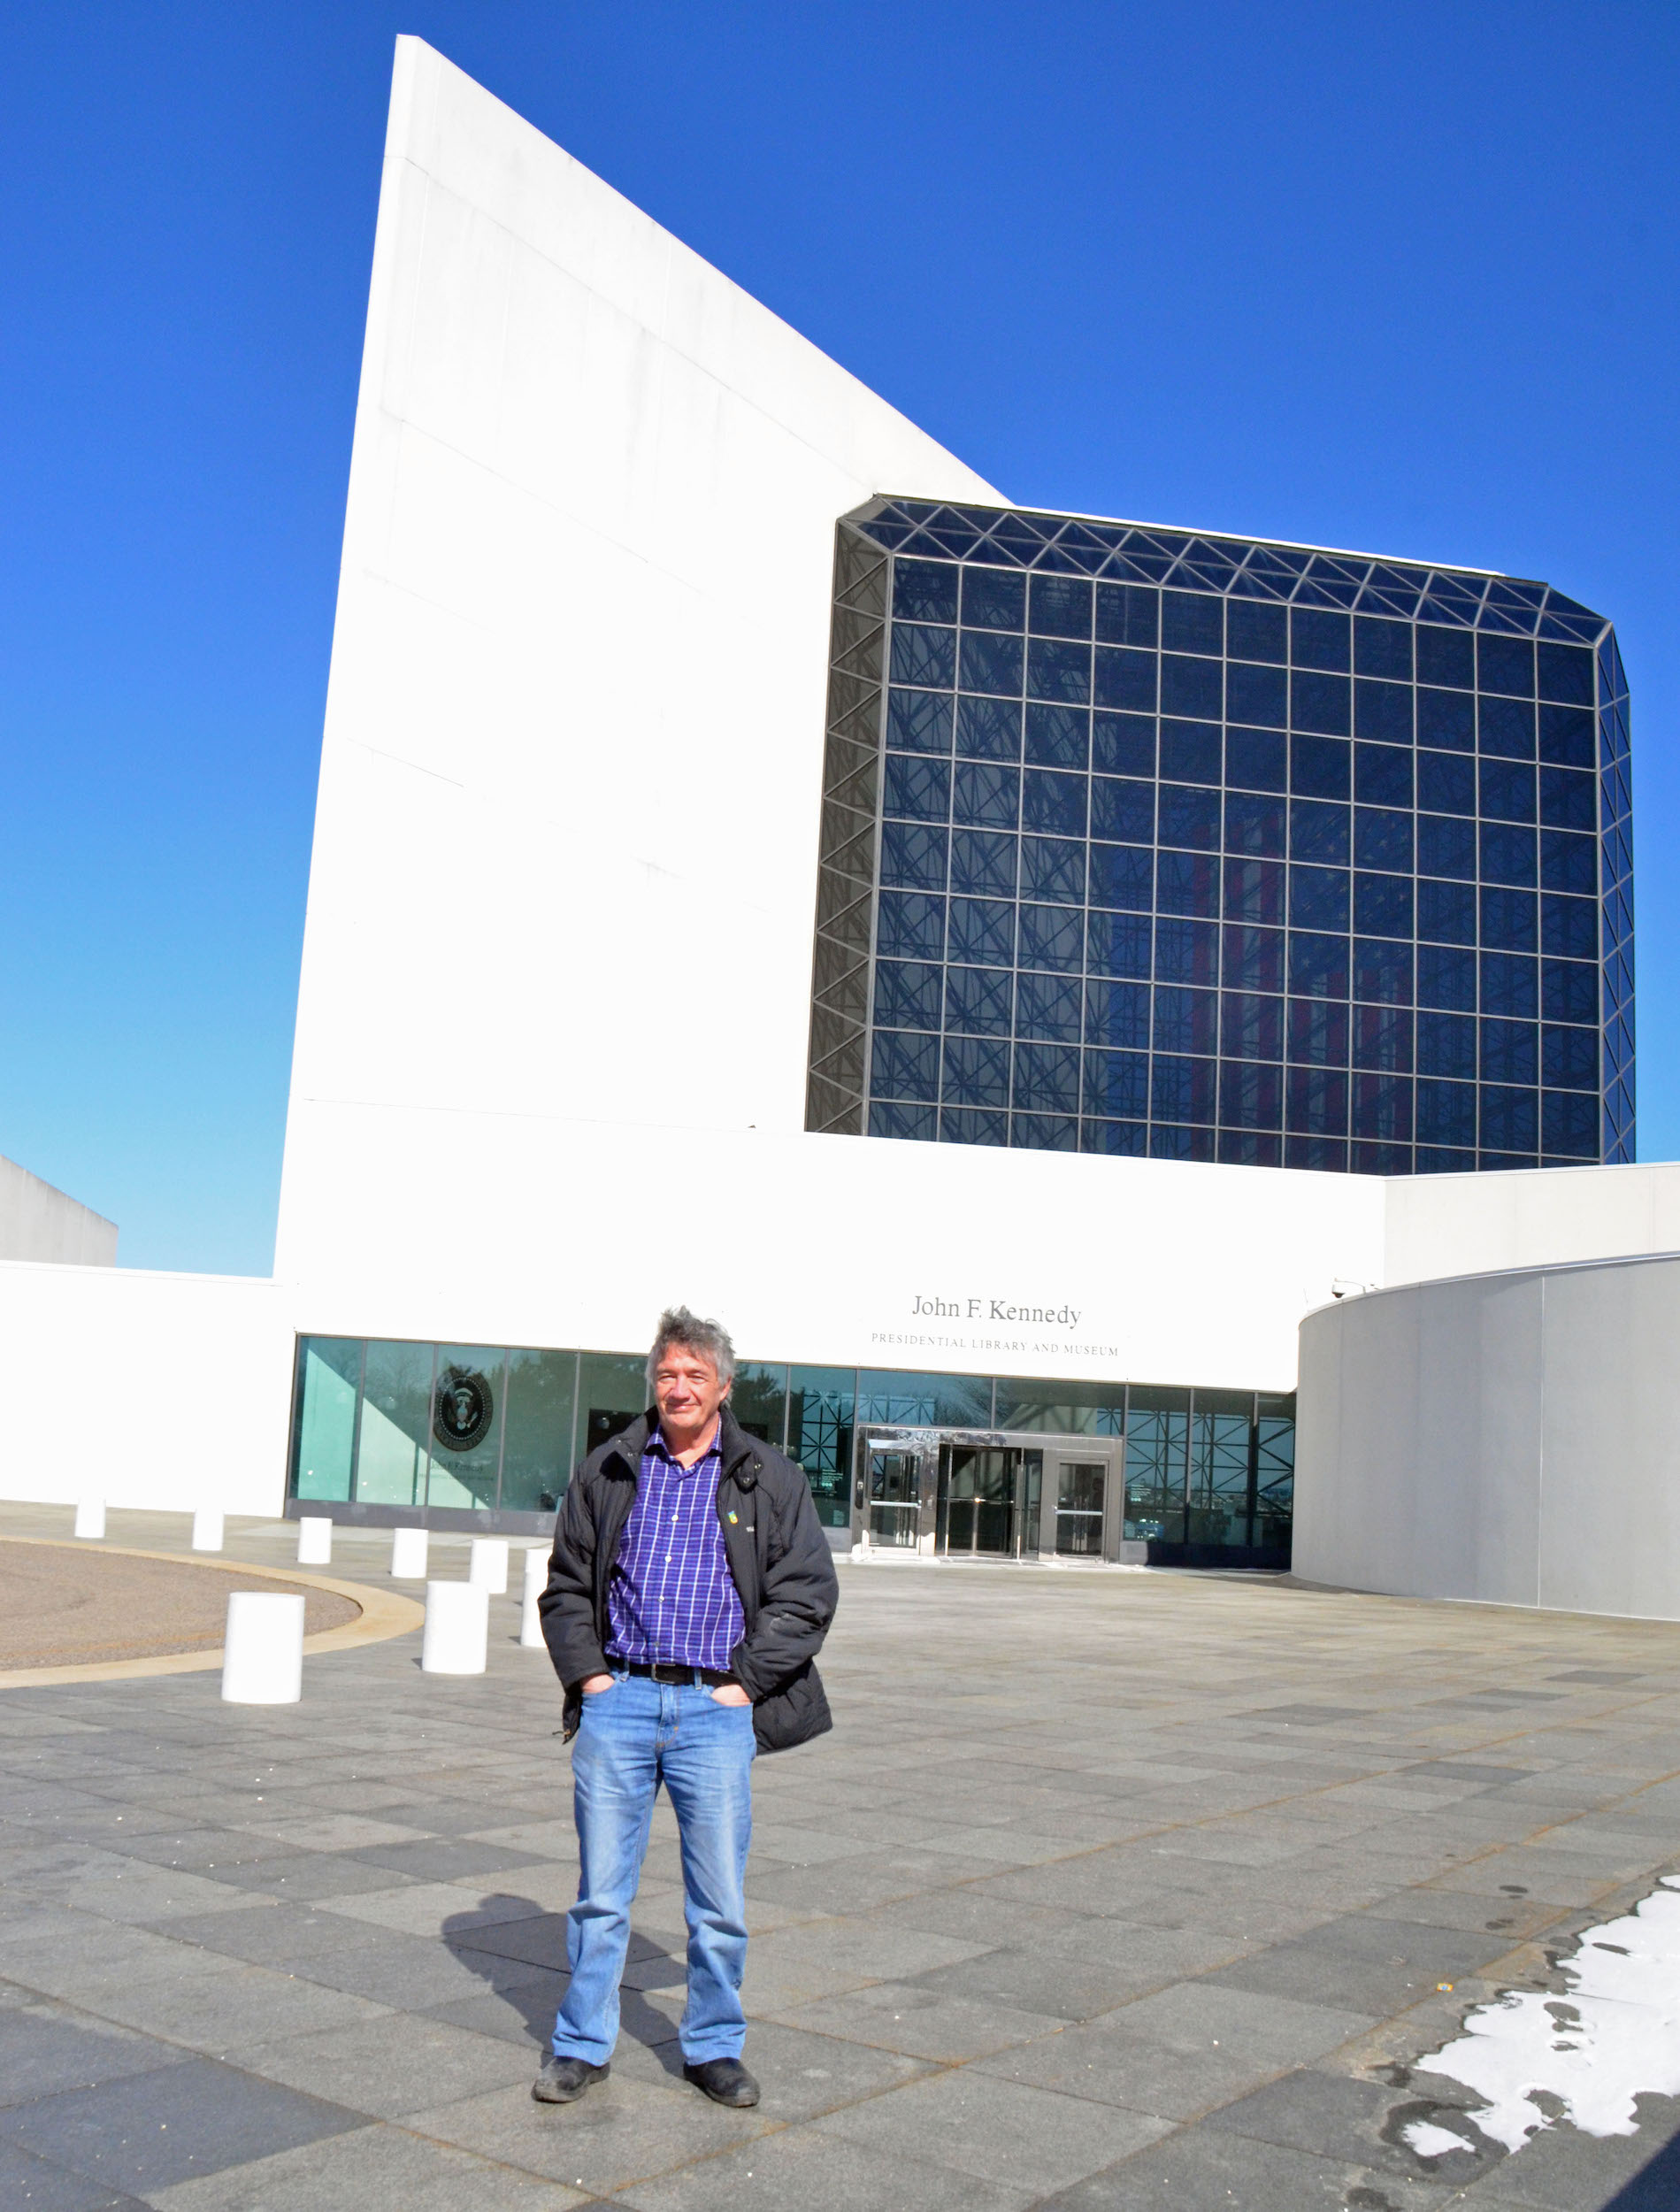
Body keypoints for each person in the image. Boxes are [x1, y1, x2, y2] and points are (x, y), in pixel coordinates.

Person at [533, 1305, 840, 2109]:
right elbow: (566, 1587)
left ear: (724, 1388)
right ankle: (580, 2044)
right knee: (601, 1894)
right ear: (652, 1383)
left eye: (694, 1375)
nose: (678, 1387)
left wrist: (741, 1685)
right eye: (666, 1374)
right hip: (621, 1702)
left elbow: (806, 1596)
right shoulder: (607, 1468)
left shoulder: (768, 1477)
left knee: (719, 1902)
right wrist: (593, 1682)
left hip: (714, 1708)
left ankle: (712, 2047)